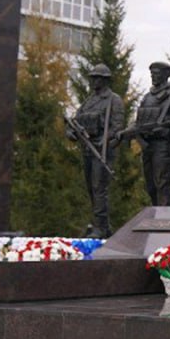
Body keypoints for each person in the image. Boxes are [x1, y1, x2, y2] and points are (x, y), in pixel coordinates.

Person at [123, 62, 170, 206]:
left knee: (163, 186)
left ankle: (165, 223)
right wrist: (125, 133)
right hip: (147, 146)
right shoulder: (147, 98)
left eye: (157, 73)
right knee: (151, 187)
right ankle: (157, 219)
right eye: (152, 73)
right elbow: (138, 122)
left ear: (166, 75)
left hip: (164, 147)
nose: (153, 76)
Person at [67, 63, 125, 238]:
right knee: (91, 189)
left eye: (96, 78)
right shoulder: (88, 101)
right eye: (92, 78)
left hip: (103, 151)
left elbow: (117, 126)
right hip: (87, 149)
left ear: (105, 80)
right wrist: (70, 133)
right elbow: (75, 122)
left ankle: (101, 227)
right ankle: (101, 225)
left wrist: (104, 140)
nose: (93, 81)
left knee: (99, 188)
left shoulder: (114, 100)